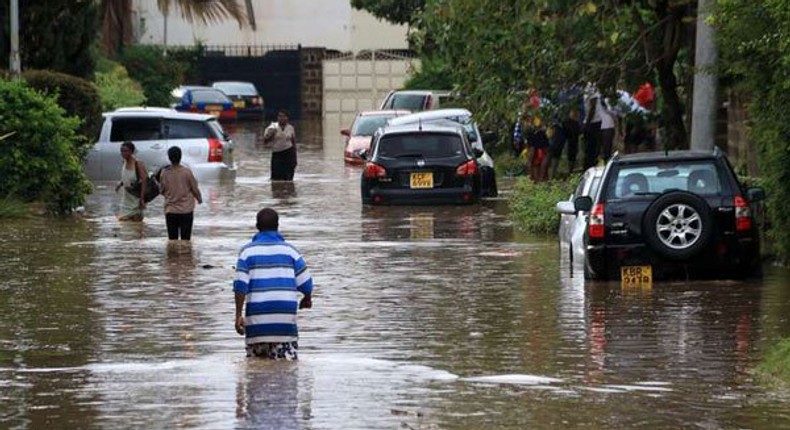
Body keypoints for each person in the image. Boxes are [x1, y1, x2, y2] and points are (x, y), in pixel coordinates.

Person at [234, 208, 313, 360]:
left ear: (257, 226)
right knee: (286, 376)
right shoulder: (291, 252)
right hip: (284, 325)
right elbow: (307, 284)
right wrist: (307, 298)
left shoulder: (246, 253)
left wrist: (238, 316)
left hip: (257, 324)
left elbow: (240, 287)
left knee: (255, 376)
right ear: (278, 226)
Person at [158, 146, 203, 241]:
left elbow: (162, 191)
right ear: (180, 157)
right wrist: (199, 199)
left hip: (170, 211)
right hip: (186, 211)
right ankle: (186, 256)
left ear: (169, 158)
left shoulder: (164, 173)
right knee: (186, 241)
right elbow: (195, 189)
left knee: (172, 241)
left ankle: (172, 256)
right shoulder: (187, 172)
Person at [114, 141, 147, 221]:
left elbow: (144, 181)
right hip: (126, 198)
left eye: (125, 151)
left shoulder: (138, 164)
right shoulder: (124, 162)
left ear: (131, 152)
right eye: (121, 151)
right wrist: (120, 184)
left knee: (136, 224)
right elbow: (126, 176)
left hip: (136, 198)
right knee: (123, 222)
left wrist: (142, 199)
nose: (123, 153)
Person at [264, 110, 297, 181]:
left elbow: (293, 142)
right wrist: (271, 135)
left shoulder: (290, 128)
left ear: (287, 118)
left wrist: (295, 158)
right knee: (276, 177)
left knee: (289, 176)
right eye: (280, 116)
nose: (281, 118)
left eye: (284, 116)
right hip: (277, 154)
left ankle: (289, 190)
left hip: (289, 153)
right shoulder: (272, 127)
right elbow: (265, 142)